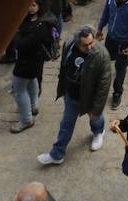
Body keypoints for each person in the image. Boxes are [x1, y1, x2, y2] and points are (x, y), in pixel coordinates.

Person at [37, 26, 112, 165]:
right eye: (85, 45)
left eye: (92, 42)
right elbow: (64, 66)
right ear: (77, 43)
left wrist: (96, 109)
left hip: (90, 97)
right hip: (71, 94)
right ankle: (57, 154)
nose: (90, 47)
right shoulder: (69, 44)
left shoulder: (101, 55)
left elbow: (104, 85)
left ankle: (98, 131)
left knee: (95, 118)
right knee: (66, 124)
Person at [11, 0, 57, 133]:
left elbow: (22, 44)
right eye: (28, 4)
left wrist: (17, 34)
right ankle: (33, 105)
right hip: (35, 61)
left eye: (33, 5)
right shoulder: (40, 20)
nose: (30, 8)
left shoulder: (40, 25)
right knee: (32, 81)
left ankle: (26, 119)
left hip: (27, 61)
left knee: (19, 89)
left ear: (40, 6)